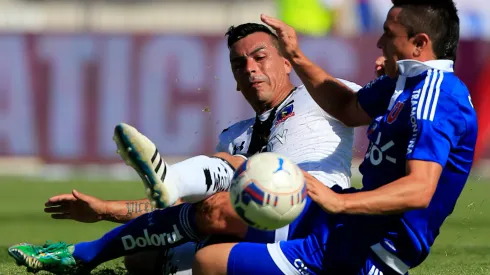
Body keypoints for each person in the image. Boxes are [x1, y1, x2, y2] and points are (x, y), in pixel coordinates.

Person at [7, 23, 362, 274]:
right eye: (240, 64)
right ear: (235, 81)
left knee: (227, 177)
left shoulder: (322, 97)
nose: (250, 68)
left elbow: (375, 108)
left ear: (287, 62)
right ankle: (166, 190)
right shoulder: (235, 133)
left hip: (316, 214)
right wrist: (105, 209)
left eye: (260, 57)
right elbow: (175, 210)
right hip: (256, 224)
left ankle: (84, 254)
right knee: (143, 257)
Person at [189, 1, 478, 275]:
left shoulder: (438, 96)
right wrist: (295, 55)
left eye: (388, 35)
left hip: (368, 251)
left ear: (419, 44)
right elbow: (346, 108)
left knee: (210, 261)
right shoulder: (402, 83)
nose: (379, 43)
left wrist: (338, 203)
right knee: (218, 222)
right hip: (345, 224)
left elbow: (420, 189)